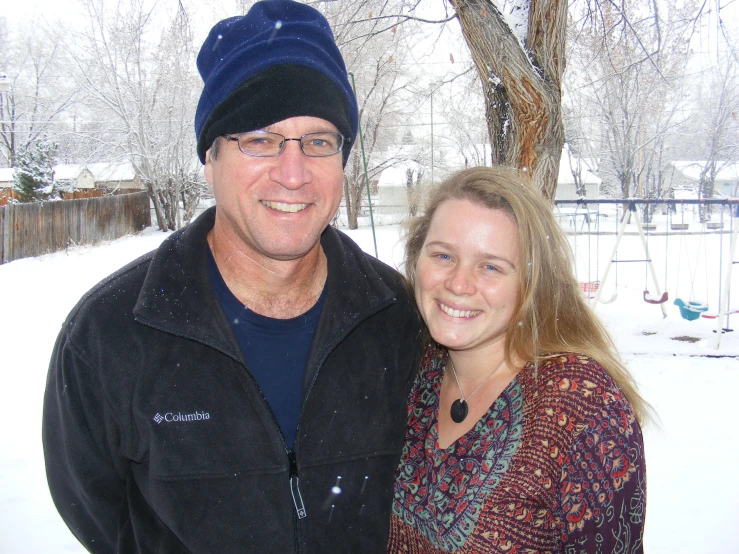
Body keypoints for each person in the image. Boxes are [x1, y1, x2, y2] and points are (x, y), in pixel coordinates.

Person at [42, 2, 421, 553]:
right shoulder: (110, 336)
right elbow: (102, 516)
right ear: (210, 156)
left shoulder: (398, 319)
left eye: (318, 141)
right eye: (260, 138)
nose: (292, 173)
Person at [387, 167, 647, 553]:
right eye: (443, 255)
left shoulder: (581, 407)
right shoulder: (407, 364)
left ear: (531, 282)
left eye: (490, 266)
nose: (459, 283)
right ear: (416, 258)